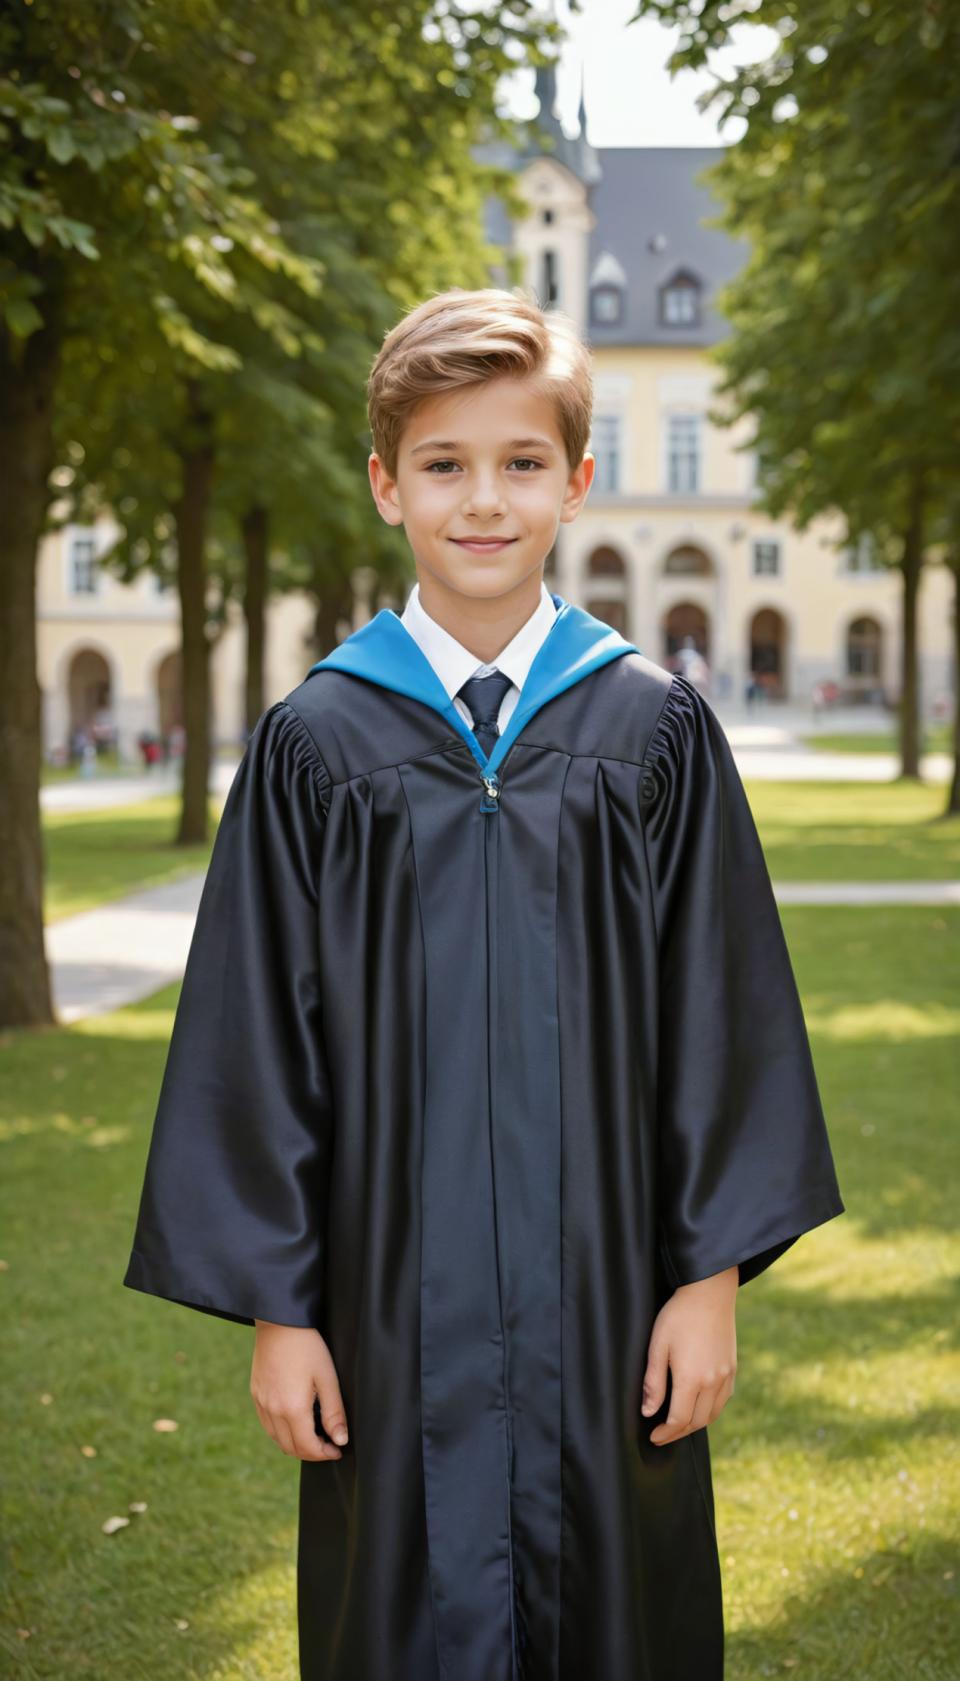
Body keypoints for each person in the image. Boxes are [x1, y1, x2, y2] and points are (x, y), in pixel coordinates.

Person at [123, 287, 845, 1681]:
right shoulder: (317, 741)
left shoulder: (651, 728)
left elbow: (722, 1006)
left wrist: (710, 1278)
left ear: (577, 483)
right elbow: (255, 1033)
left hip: (612, 1302)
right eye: (444, 464)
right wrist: (283, 1309)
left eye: (521, 464)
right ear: (387, 482)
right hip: (390, 1314)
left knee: (615, 1614)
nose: (483, 501)